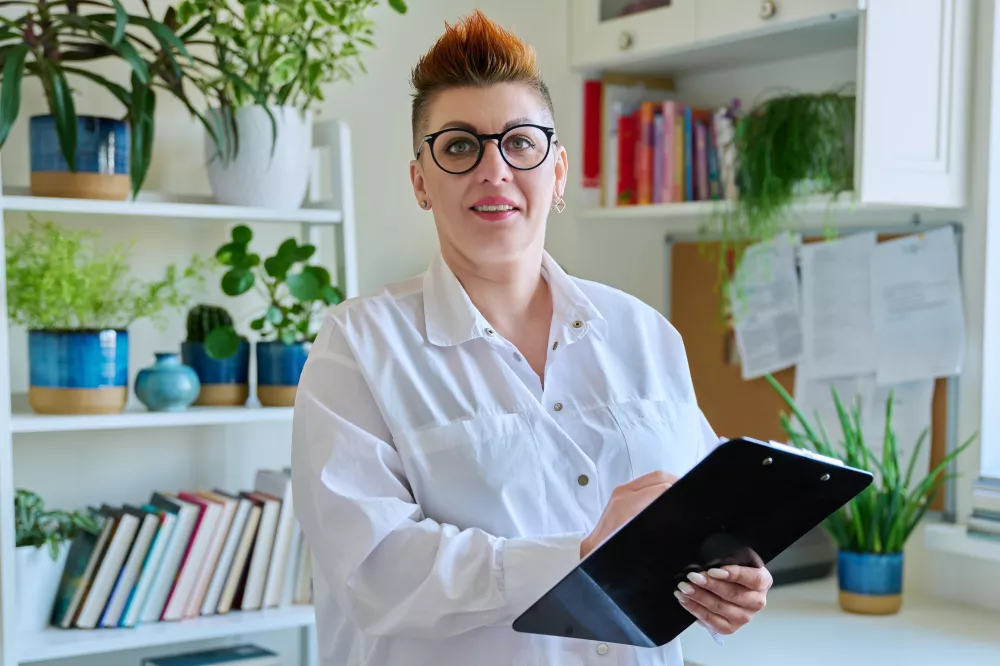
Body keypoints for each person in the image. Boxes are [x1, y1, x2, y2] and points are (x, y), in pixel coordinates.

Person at [290, 10, 771, 666]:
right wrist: (578, 557)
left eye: (520, 142)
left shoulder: (644, 333)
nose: (494, 170)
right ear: (421, 182)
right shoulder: (358, 347)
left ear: (558, 172)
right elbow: (375, 571)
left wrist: (731, 583)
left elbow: (704, 518)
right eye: (459, 146)